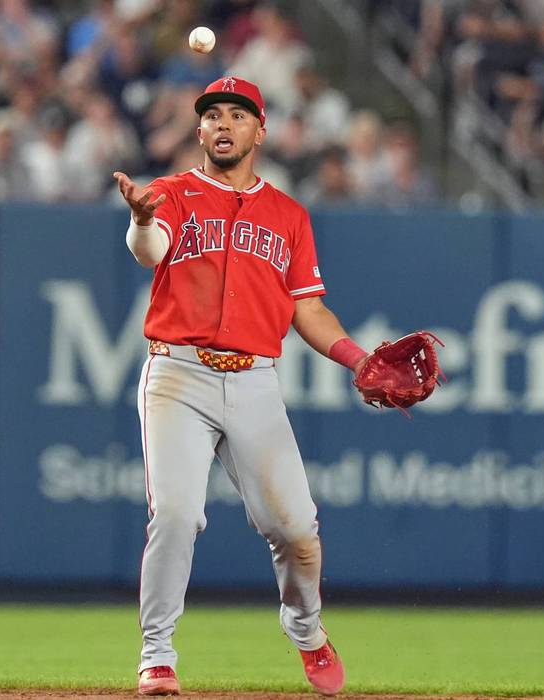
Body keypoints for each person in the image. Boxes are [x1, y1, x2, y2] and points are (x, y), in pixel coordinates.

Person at [113, 76, 369, 697]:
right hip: (178, 373)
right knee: (174, 513)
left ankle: (306, 630)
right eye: (212, 116)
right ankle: (157, 655)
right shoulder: (172, 193)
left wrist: (359, 361)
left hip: (254, 381)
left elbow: (308, 310)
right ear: (199, 130)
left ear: (261, 130)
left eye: (238, 114)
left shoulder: (288, 215)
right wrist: (142, 219)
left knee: (297, 532)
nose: (223, 124)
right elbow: (149, 251)